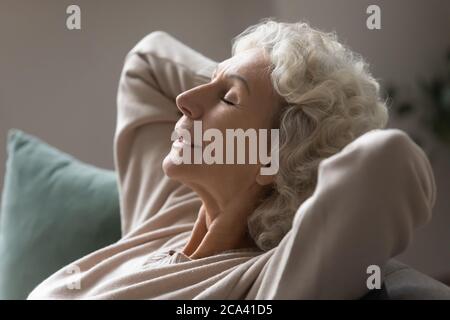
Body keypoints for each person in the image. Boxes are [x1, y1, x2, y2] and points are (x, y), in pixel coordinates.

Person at [28, 19, 436, 299]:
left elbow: (386, 164)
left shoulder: (265, 281)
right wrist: (266, 70)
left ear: (270, 158)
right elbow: (147, 62)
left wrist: (307, 136)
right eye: (208, 84)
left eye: (227, 99)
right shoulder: (169, 213)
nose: (184, 102)